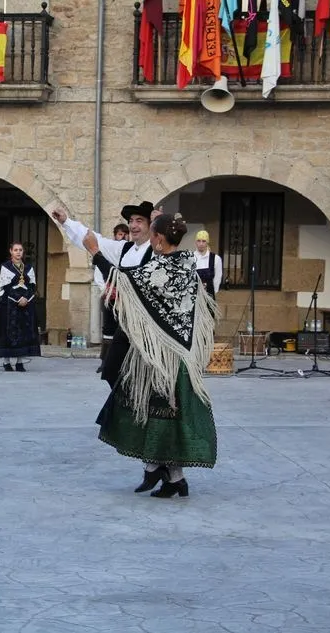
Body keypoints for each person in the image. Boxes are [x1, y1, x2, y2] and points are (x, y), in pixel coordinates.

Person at [81, 213, 219, 498]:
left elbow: (123, 282)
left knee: (157, 411)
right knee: (163, 413)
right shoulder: (186, 264)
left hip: (162, 358)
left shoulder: (160, 269)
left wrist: (95, 252)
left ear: (158, 239)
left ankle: (160, 471)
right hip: (175, 355)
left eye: (152, 233)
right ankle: (170, 476)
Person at [53, 201, 157, 387]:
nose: (133, 226)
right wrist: (66, 221)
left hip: (146, 328)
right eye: (131, 221)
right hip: (125, 325)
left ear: (150, 225)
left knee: (142, 377)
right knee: (112, 371)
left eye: (139, 221)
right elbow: (94, 240)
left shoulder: (156, 252)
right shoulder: (125, 249)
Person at [0, 241, 42, 372]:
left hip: (26, 305)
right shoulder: (5, 267)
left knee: (23, 333)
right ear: (11, 251)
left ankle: (20, 362)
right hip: (9, 305)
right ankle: (6, 362)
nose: (18, 252)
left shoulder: (28, 268)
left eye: (20, 250)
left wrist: (26, 298)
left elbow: (32, 286)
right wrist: (18, 298)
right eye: (15, 250)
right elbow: (5, 287)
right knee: (7, 333)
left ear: (23, 252)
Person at [94, 223, 130, 373]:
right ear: (115, 236)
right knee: (108, 329)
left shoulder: (130, 253)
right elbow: (99, 274)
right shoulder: (107, 253)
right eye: (120, 234)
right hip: (109, 297)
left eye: (125, 234)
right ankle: (105, 362)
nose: (123, 237)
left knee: (125, 329)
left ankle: (123, 363)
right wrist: (108, 290)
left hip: (126, 299)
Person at [193, 230, 223, 300]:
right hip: (193, 296)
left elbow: (218, 277)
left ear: (207, 242)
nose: (201, 244)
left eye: (204, 241)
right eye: (199, 241)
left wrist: (213, 292)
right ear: (195, 242)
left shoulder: (215, 258)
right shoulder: (191, 258)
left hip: (209, 296)